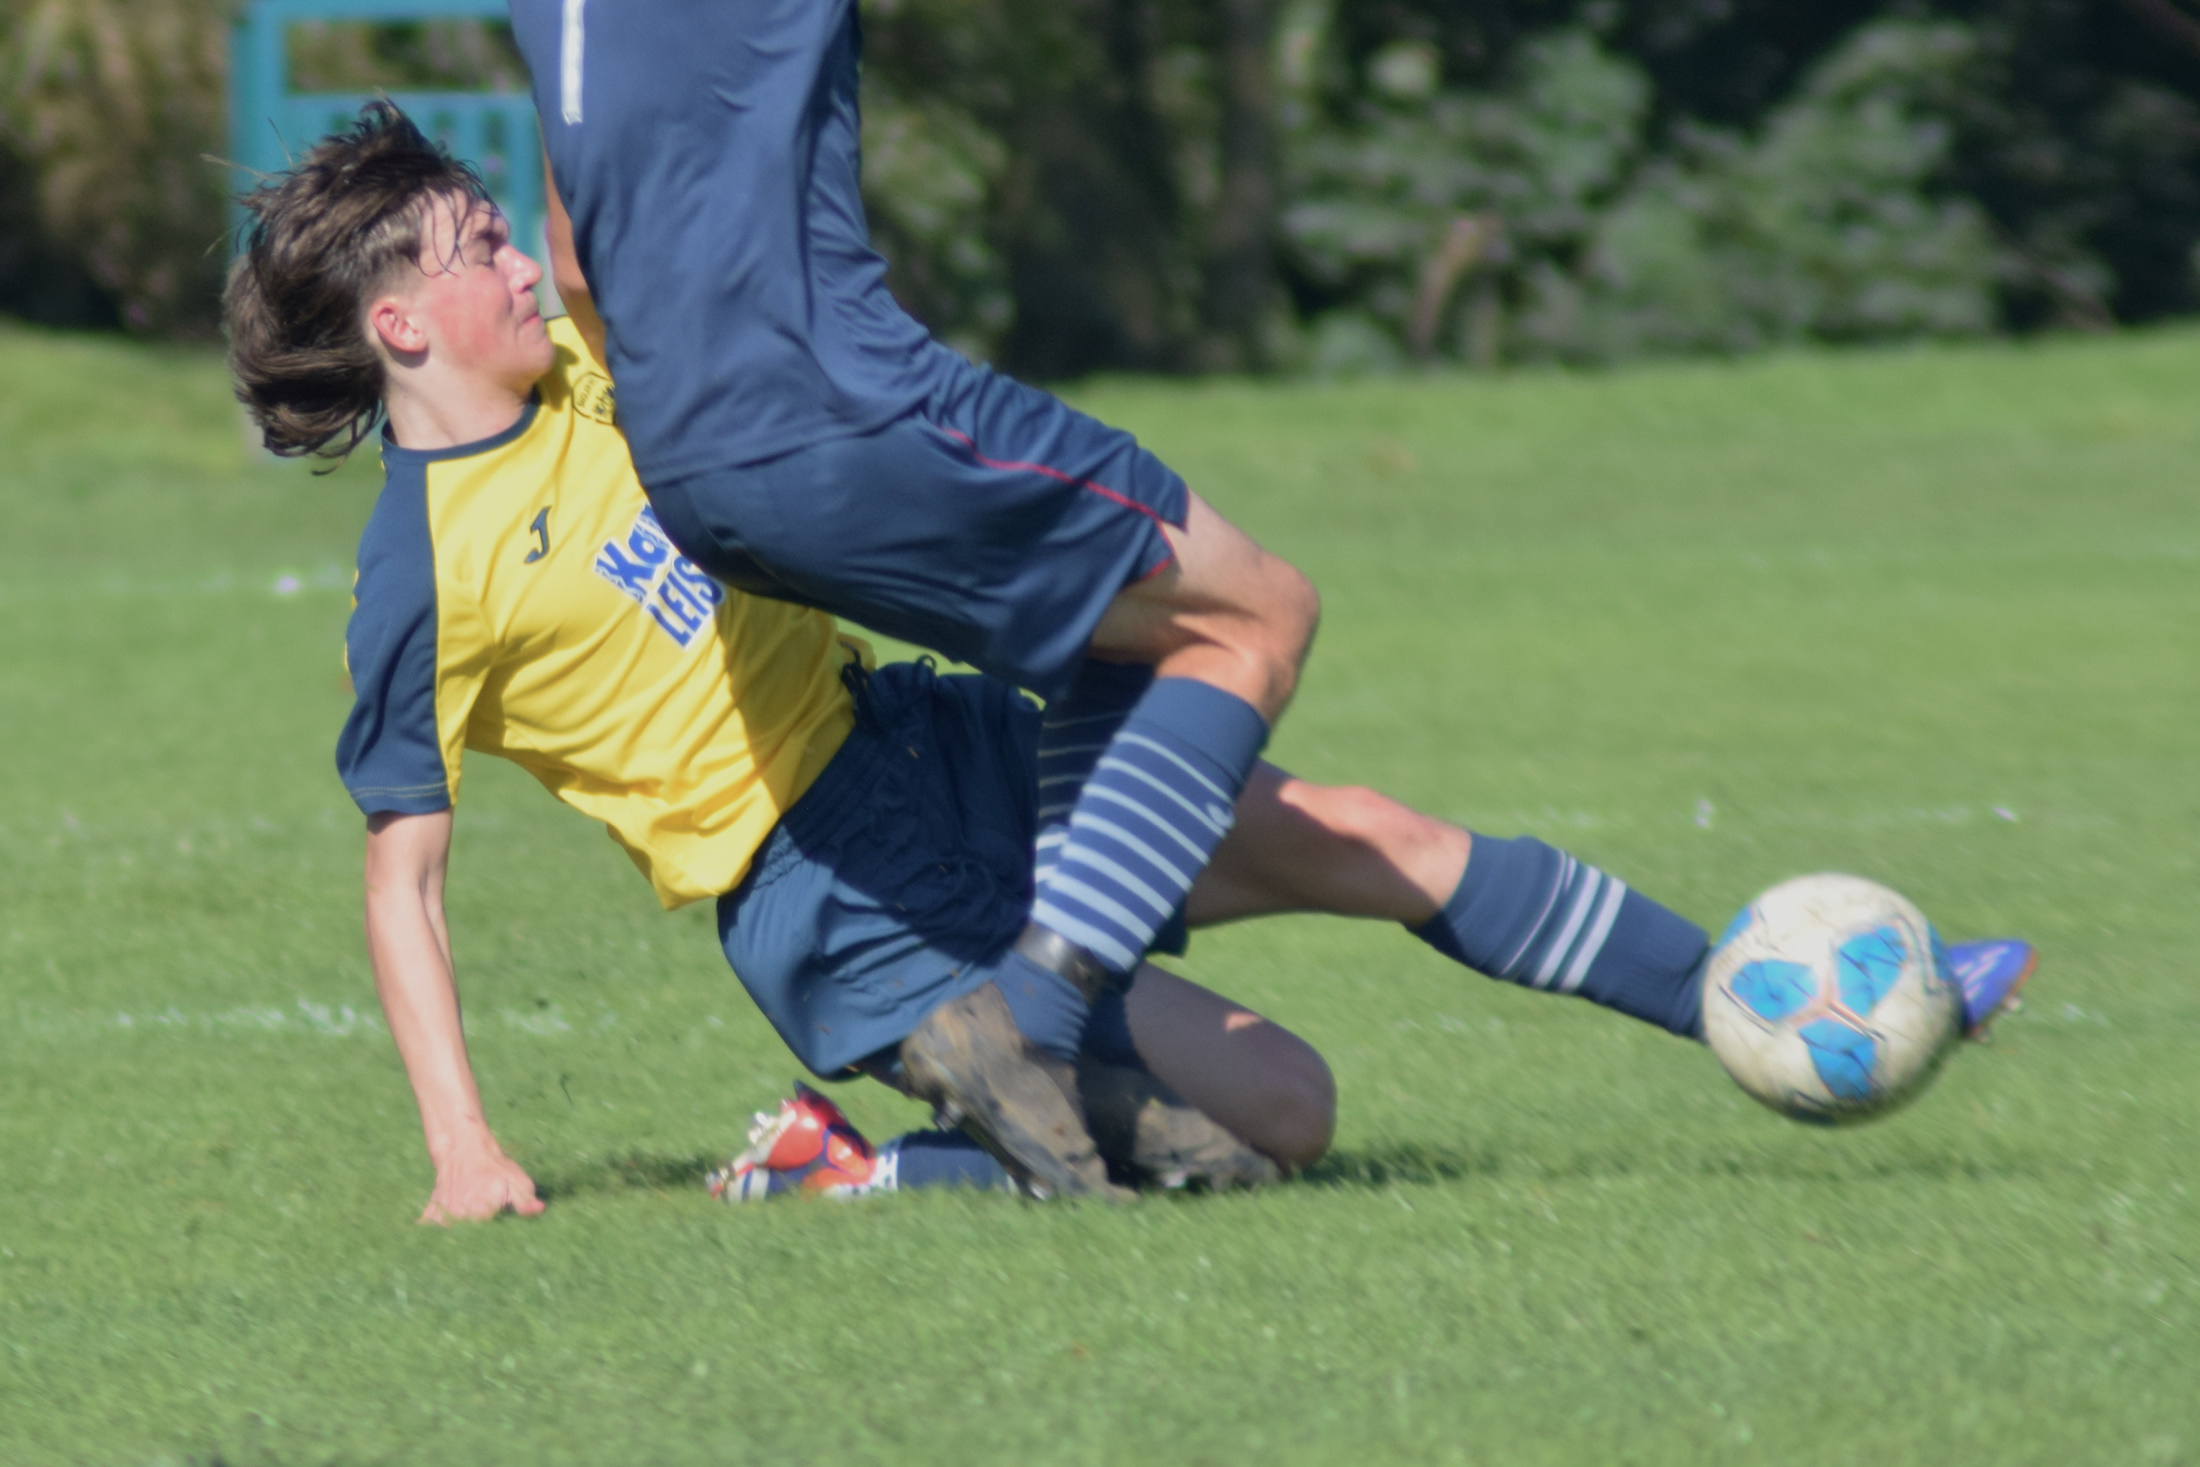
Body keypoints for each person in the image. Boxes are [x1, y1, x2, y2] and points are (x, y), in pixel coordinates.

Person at [224, 107, 2037, 1219]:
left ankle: (1760, 987)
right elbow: (405, 881)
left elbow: (602, 198)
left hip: (916, 741)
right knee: (1282, 1117)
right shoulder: (423, 577)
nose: (521, 273)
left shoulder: (609, 363)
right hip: (836, 899)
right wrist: (467, 1150)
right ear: (401, 325)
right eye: (479, 259)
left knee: (1367, 831)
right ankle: (846, 1166)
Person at [503, 0, 1321, 1191]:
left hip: (878, 713)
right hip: (837, 480)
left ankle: (918, 1126)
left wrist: (663, 415)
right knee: (1256, 611)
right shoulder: (442, 553)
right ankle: (1024, 1022)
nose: (505, 265)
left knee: (1290, 1108)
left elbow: (576, 255)